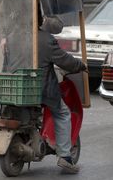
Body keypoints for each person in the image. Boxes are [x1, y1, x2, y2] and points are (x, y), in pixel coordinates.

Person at [38, 14, 87, 174]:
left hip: (15, 85)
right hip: (42, 88)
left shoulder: (14, 36)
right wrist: (80, 65)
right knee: (63, 113)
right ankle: (65, 156)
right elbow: (64, 60)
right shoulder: (46, 40)